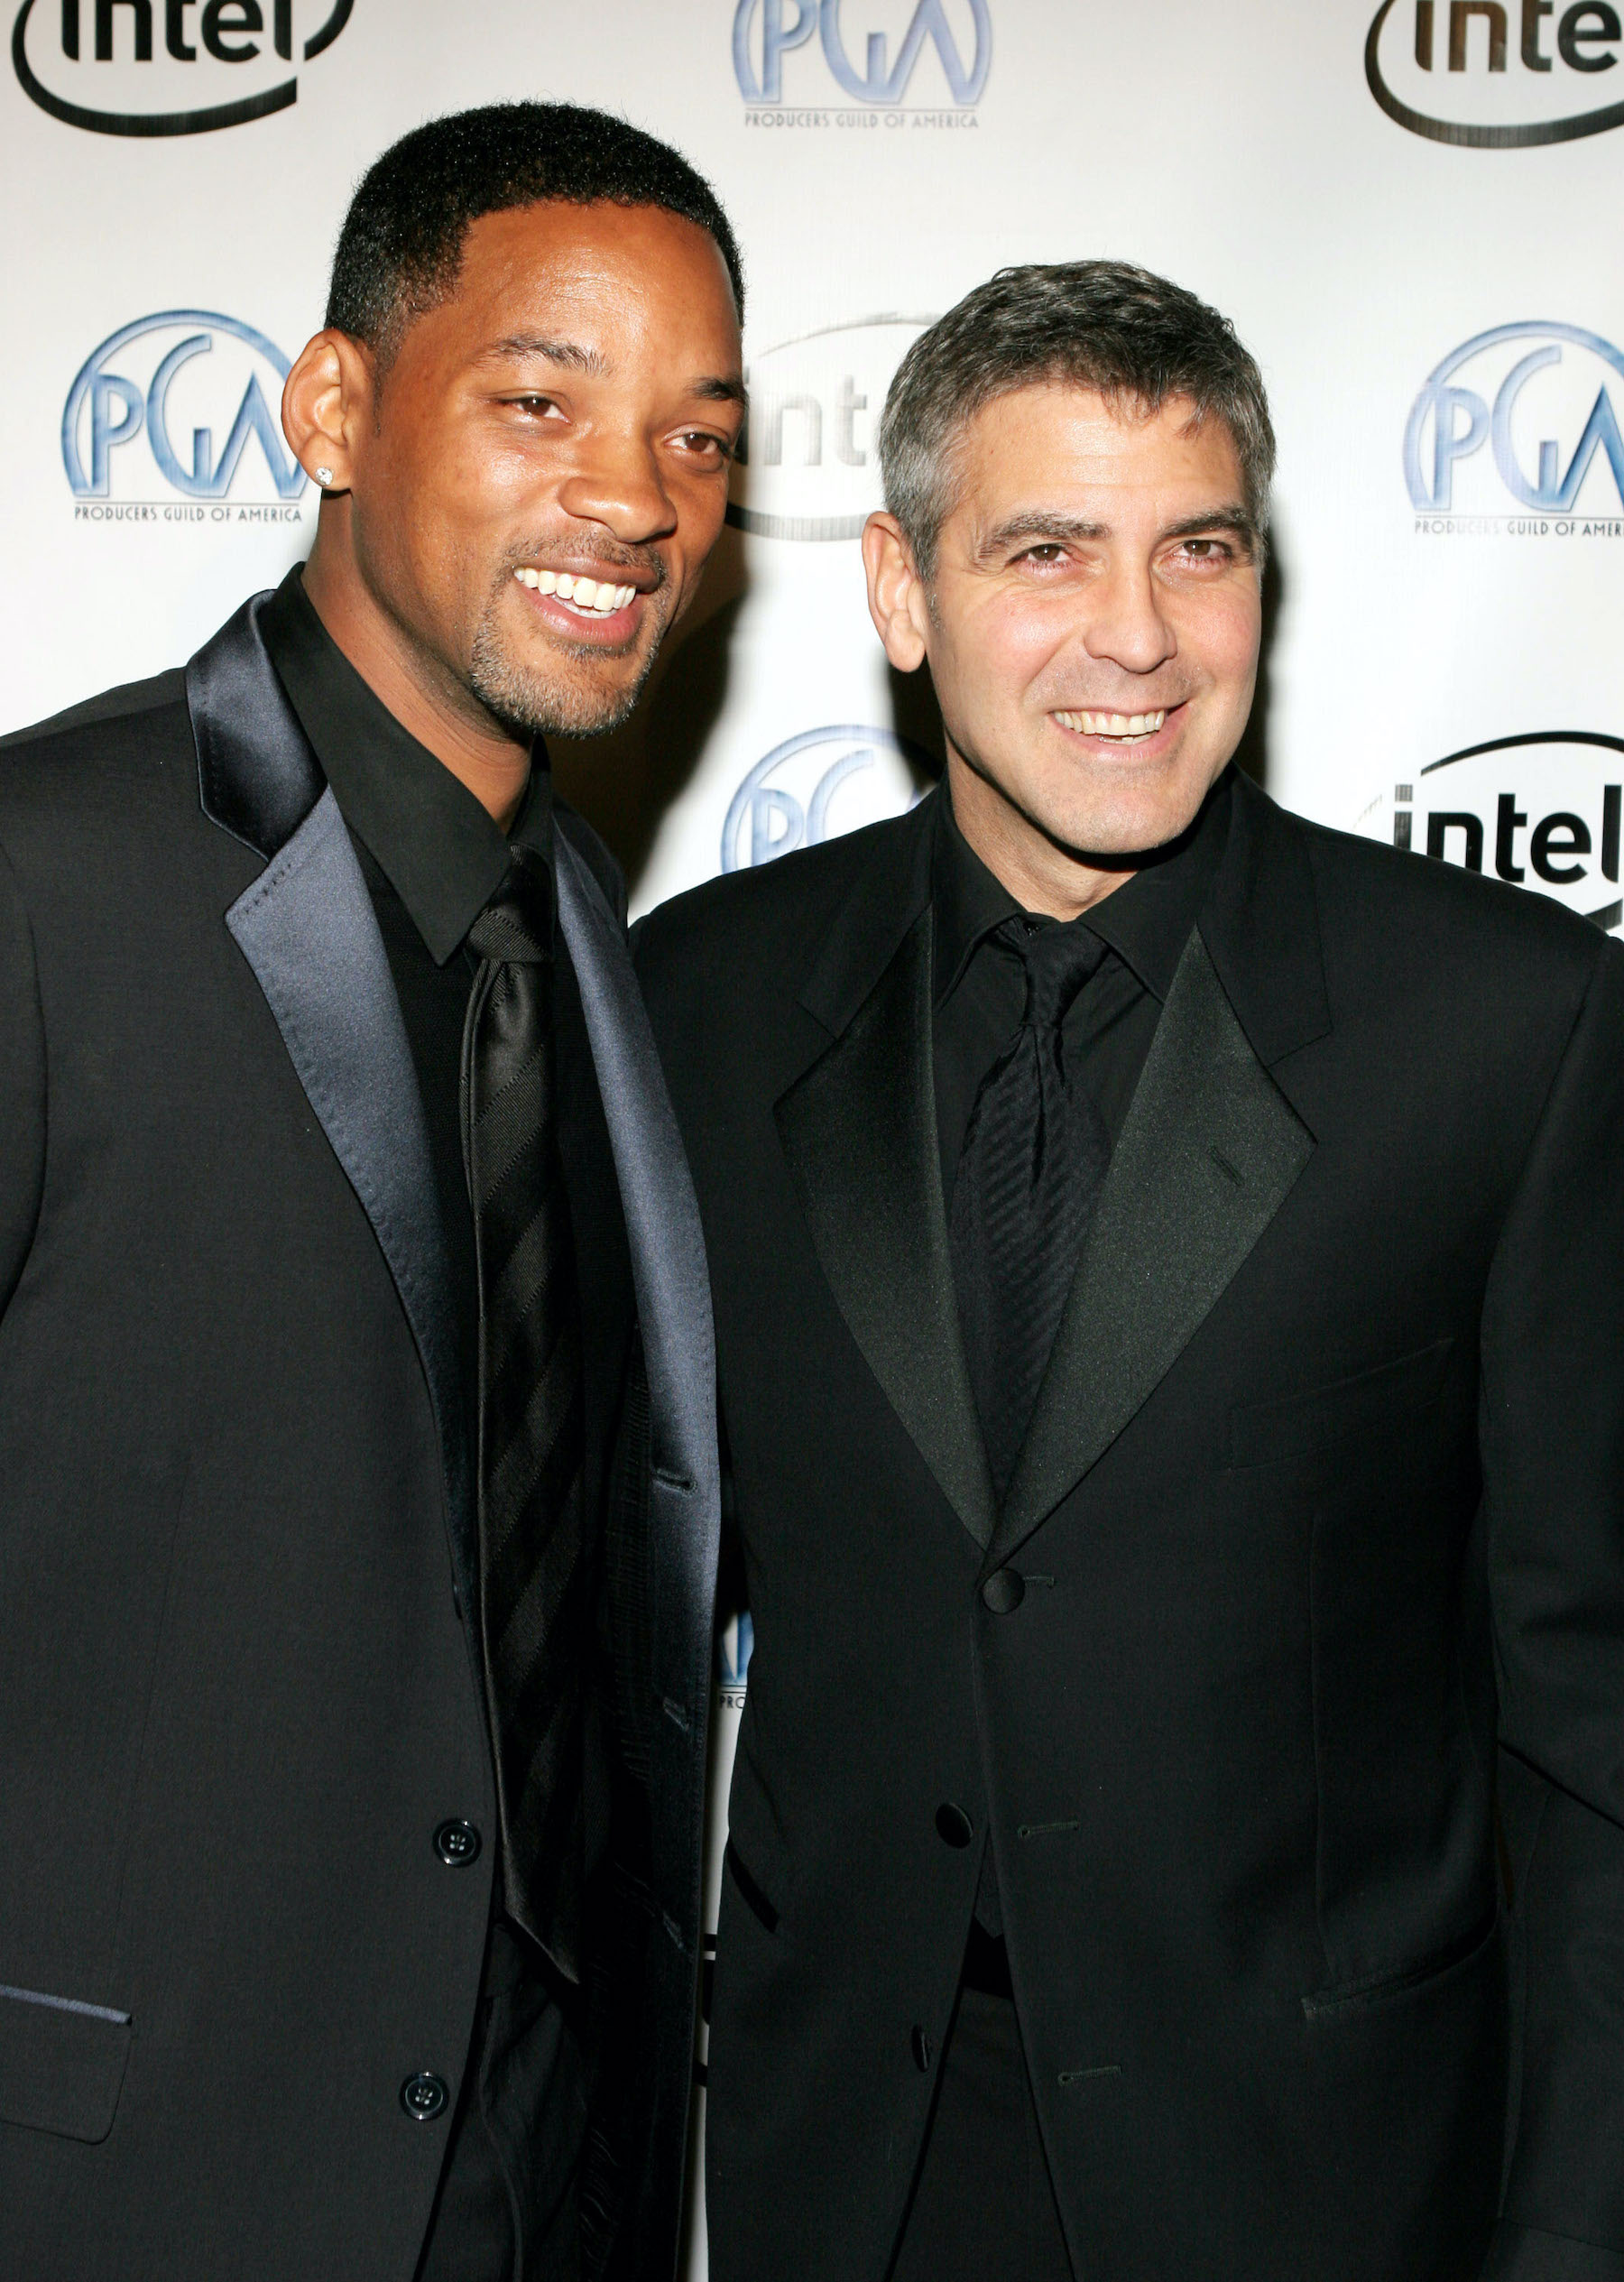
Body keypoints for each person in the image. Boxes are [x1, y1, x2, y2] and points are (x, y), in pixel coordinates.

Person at [634, 261, 1624, 2280]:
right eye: (1047, 550)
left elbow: (1596, 1731)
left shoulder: (1505, 1030)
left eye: (1201, 548)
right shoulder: (701, 1002)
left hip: (1328, 2181)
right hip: (853, 2167)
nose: (1139, 637)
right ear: (903, 596)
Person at [0, 101, 738, 2282]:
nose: (635, 498)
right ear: (335, 404)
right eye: (542, 399)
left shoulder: (598, 937)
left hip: (558, 2175)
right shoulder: (48, 878)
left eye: (700, 440)